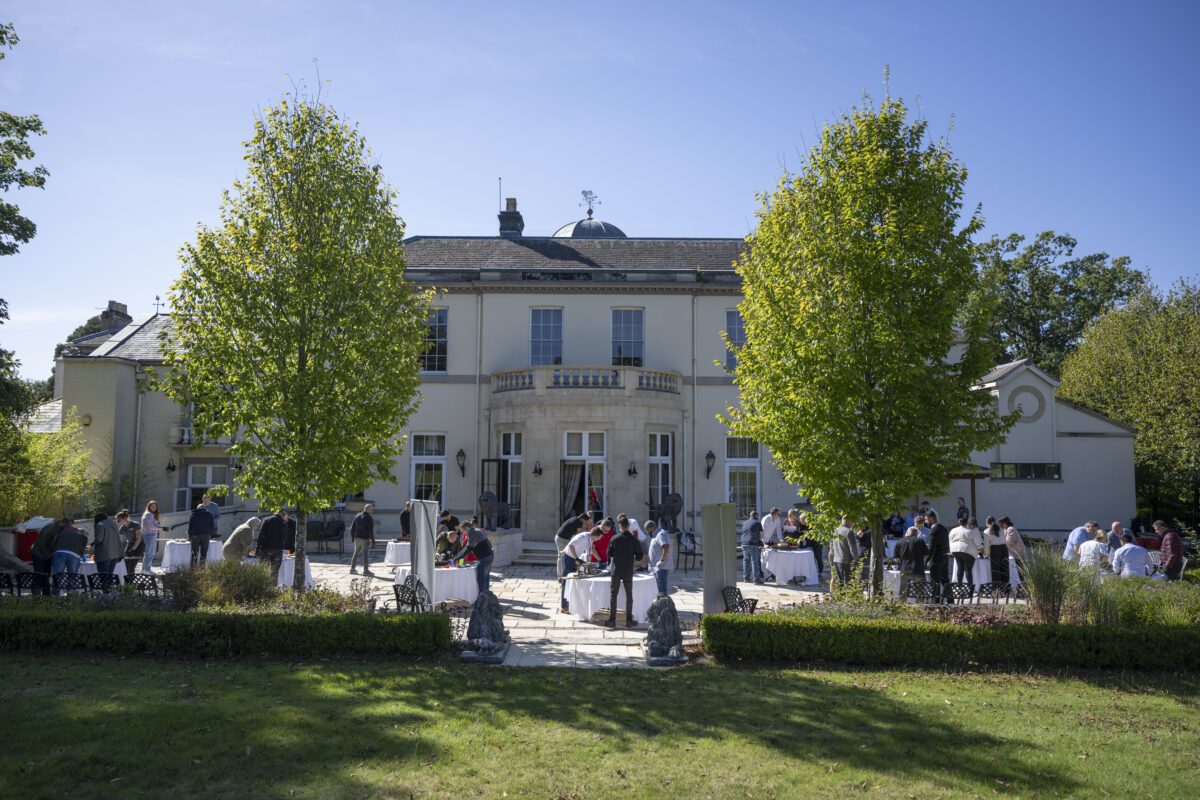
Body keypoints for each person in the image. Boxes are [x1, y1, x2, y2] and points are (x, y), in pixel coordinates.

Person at [605, 517, 643, 628]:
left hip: (616, 570)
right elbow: (640, 556)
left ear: (620, 526)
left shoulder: (615, 538)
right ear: (628, 526)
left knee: (613, 595)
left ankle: (612, 620)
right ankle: (629, 621)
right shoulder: (633, 539)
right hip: (628, 570)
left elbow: (609, 554)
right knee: (629, 596)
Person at [560, 527, 602, 613]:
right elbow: (571, 545)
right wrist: (576, 558)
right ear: (596, 535)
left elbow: (592, 549)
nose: (599, 539)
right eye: (599, 537)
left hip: (575, 559)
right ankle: (564, 607)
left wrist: (599, 559)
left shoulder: (590, 538)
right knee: (566, 581)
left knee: (579, 579)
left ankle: (575, 603)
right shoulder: (583, 536)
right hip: (568, 558)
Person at [453, 522, 495, 594]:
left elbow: (469, 548)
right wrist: (457, 556)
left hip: (485, 557)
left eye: (463, 531)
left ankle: (482, 599)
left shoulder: (472, 533)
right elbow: (468, 547)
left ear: (466, 528)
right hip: (489, 556)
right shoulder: (476, 530)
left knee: (481, 579)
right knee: (485, 578)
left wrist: (457, 558)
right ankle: (487, 597)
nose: (463, 533)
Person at [949, 516, 984, 593]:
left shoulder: (953, 530)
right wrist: (980, 549)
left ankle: (959, 586)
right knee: (968, 569)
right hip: (967, 550)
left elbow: (950, 540)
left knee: (960, 568)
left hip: (955, 550)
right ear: (966, 523)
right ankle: (970, 589)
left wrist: (952, 550)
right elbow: (978, 542)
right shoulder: (969, 531)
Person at [893, 527, 928, 599]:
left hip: (905, 570)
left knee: (903, 592)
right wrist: (922, 562)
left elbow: (896, 558)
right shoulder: (920, 541)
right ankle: (920, 608)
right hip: (918, 570)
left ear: (907, 533)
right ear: (917, 533)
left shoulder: (899, 542)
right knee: (920, 593)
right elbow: (926, 554)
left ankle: (902, 608)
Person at [555, 513, 591, 577]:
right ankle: (562, 575)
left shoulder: (575, 519)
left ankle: (560, 574)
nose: (586, 523)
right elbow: (578, 534)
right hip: (562, 539)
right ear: (583, 519)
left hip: (559, 537)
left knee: (561, 557)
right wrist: (585, 528)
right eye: (586, 521)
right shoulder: (578, 522)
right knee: (563, 557)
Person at [927, 512, 951, 603]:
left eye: (926, 519)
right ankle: (950, 601)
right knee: (945, 581)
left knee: (935, 582)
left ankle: (935, 602)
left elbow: (931, 548)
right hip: (945, 557)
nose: (926, 522)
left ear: (931, 518)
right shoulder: (944, 528)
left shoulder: (933, 530)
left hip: (936, 559)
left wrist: (926, 561)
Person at [829, 515, 859, 588]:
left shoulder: (835, 530)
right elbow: (853, 549)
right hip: (846, 561)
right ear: (850, 522)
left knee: (840, 584)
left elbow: (831, 549)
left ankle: (840, 598)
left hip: (836, 560)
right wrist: (857, 561)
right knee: (849, 585)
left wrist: (831, 561)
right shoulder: (849, 532)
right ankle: (848, 599)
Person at [257, 509, 288, 578]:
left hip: (266, 548)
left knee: (262, 570)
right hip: (278, 550)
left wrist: (257, 548)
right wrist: (282, 549)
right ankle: (273, 587)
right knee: (275, 572)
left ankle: (262, 587)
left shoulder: (266, 520)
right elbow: (284, 537)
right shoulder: (284, 522)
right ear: (282, 514)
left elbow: (261, 534)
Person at [349, 503, 376, 576]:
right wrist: (373, 541)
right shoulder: (369, 518)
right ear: (368, 509)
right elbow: (370, 530)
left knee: (356, 554)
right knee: (365, 555)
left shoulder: (357, 516)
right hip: (365, 539)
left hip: (357, 538)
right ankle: (366, 570)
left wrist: (352, 538)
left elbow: (351, 529)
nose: (372, 510)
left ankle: (352, 569)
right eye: (371, 509)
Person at [646, 520, 671, 595]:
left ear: (652, 528)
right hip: (656, 568)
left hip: (660, 568)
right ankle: (660, 605)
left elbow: (666, 547)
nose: (647, 532)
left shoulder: (660, 534)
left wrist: (662, 561)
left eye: (647, 530)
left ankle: (664, 606)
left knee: (662, 590)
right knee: (658, 590)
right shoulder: (656, 535)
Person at [983, 516, 1010, 585]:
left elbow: (986, 546)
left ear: (987, 523)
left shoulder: (986, 531)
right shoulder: (1001, 529)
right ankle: (1006, 588)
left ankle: (997, 588)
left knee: (996, 570)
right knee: (1005, 569)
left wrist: (986, 555)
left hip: (995, 550)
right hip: (1004, 549)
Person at [118, 510, 143, 577]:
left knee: (131, 566)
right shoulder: (122, 528)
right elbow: (119, 540)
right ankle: (127, 582)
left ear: (125, 518)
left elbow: (138, 539)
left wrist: (132, 549)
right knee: (125, 565)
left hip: (139, 545)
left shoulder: (135, 525)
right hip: (130, 544)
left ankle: (131, 584)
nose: (118, 521)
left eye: (119, 519)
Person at [741, 514, 765, 584]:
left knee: (746, 561)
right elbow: (762, 535)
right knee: (754, 561)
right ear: (756, 516)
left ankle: (746, 578)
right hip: (753, 543)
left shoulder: (745, 523)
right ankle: (756, 580)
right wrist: (759, 538)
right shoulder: (757, 523)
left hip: (744, 543)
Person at [140, 500, 162, 575]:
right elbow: (149, 526)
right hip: (149, 535)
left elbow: (152, 525)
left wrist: (159, 528)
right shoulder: (148, 514)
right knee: (149, 553)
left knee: (150, 553)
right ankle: (146, 570)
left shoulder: (151, 514)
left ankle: (145, 569)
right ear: (149, 507)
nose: (154, 507)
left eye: (155, 506)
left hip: (151, 535)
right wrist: (159, 529)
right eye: (152, 506)